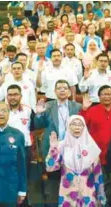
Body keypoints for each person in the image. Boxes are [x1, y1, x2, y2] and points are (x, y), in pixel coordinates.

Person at [34, 79, 82, 207]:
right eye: (59, 88)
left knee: (71, 182)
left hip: (72, 150)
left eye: (64, 88)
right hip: (52, 149)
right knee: (53, 181)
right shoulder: (48, 106)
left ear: (69, 91)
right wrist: (39, 114)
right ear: (54, 91)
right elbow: (38, 125)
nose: (62, 90)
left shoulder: (76, 106)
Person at [45, 115, 107, 207]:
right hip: (68, 197)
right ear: (68, 126)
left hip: (88, 195)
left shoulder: (91, 147)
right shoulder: (61, 146)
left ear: (84, 127)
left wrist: (101, 197)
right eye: (73, 124)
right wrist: (53, 148)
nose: (77, 127)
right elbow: (50, 167)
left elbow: (98, 175)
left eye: (80, 124)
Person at [80, 85, 111, 174]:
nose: (107, 97)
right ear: (99, 96)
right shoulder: (91, 111)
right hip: (95, 153)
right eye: (104, 94)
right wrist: (84, 109)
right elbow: (80, 125)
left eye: (109, 94)